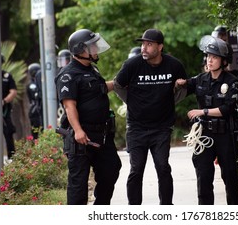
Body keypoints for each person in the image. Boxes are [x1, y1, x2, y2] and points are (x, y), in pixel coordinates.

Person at [109, 28, 187, 205]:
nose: (144, 48)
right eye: (143, 44)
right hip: (136, 128)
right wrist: (131, 101)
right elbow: (118, 85)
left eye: (149, 44)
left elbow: (184, 87)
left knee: (163, 168)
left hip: (162, 128)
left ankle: (166, 207)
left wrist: (170, 100)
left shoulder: (174, 65)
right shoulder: (132, 65)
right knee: (136, 170)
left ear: (160, 47)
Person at [55, 29, 121, 205]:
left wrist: (117, 83)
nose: (96, 49)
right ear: (80, 49)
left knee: (112, 169)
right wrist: (77, 130)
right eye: (92, 46)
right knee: (79, 184)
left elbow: (98, 89)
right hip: (81, 137)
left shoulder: (92, 70)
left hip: (102, 135)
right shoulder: (68, 75)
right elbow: (69, 105)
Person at [175, 36, 238, 205]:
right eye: (208, 56)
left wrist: (202, 111)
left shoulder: (232, 82)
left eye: (214, 57)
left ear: (223, 60)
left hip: (225, 135)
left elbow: (226, 109)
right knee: (203, 180)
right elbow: (183, 86)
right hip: (204, 136)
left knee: (231, 180)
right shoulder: (200, 79)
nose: (210, 60)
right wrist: (179, 83)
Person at [27, 63, 42, 139]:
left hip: (40, 107)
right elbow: (34, 96)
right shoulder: (31, 85)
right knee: (35, 130)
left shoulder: (42, 82)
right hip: (35, 109)